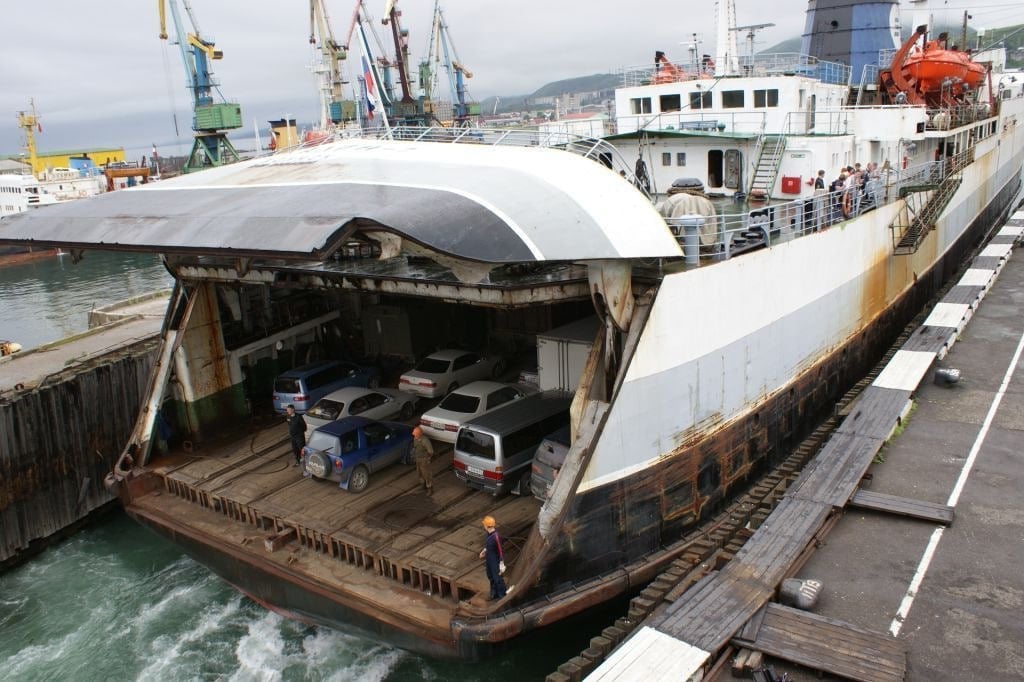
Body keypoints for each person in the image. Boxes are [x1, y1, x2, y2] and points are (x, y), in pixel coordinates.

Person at [478, 515, 507, 600]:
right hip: (489, 559)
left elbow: (500, 550)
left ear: (486, 526)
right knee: (490, 576)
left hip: (495, 560)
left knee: (497, 578)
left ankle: (502, 596)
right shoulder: (489, 534)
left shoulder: (496, 536)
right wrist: (484, 551)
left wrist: (501, 563)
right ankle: (494, 594)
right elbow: (489, 545)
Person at [410, 426, 434, 494]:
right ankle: (423, 485)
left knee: (427, 474)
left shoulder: (425, 441)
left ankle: (430, 488)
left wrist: (427, 459)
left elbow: (431, 451)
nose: (414, 435)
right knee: (419, 473)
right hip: (418, 459)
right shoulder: (415, 438)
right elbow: (415, 447)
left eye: (415, 434)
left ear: (419, 434)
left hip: (424, 460)